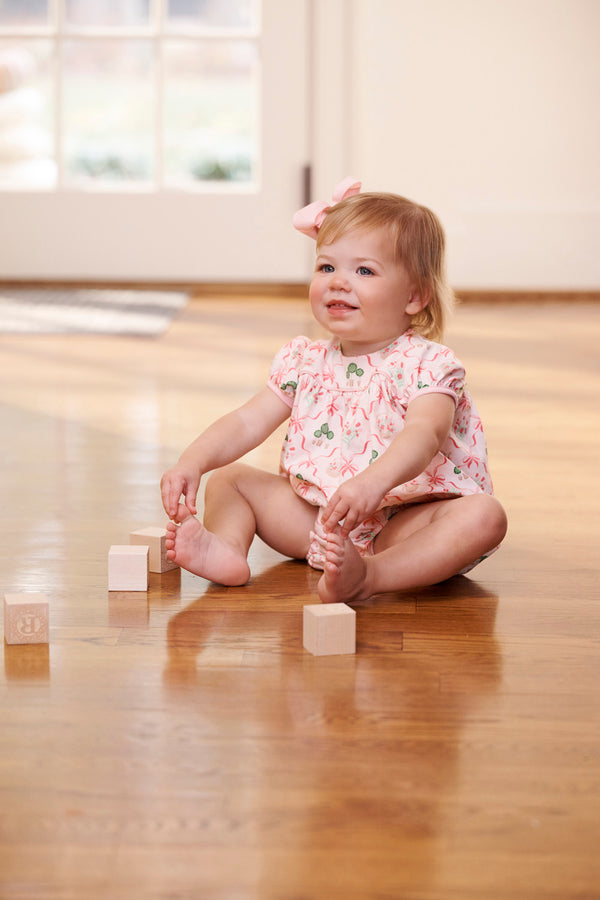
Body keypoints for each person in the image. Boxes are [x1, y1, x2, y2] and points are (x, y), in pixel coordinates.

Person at [160, 177, 507, 604]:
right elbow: (248, 420)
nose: (339, 282)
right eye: (327, 267)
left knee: (483, 517)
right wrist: (192, 462)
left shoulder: (428, 365)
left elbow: (424, 434)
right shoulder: (303, 361)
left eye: (363, 270)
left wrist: (372, 484)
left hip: (402, 525)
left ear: (415, 296)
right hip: (320, 522)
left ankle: (372, 575)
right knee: (229, 479)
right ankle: (227, 548)